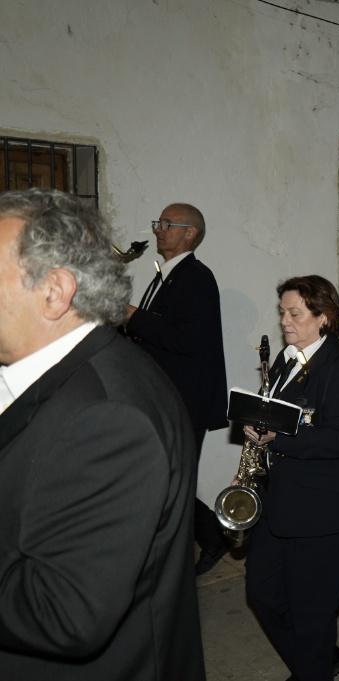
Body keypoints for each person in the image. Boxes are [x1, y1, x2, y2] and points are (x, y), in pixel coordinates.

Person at [0, 189, 204, 680]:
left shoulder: (110, 418)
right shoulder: (51, 371)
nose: (159, 229)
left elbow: (64, 613)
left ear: (55, 291)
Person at [243, 275, 339, 680]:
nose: (285, 320)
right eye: (282, 312)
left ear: (324, 318)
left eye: (295, 313)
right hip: (279, 500)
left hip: (324, 512)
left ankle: (312, 666)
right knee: (262, 594)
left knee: (311, 616)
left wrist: (278, 437)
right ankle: (316, 661)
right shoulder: (285, 359)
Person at [124, 202, 230, 575]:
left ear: (190, 234)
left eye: (167, 224)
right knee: (171, 479)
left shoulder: (197, 278)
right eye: (158, 223)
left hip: (185, 399)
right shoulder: (165, 275)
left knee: (173, 481)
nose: (158, 229)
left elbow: (188, 340)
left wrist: (134, 317)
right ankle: (214, 537)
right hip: (163, 396)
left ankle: (180, 564)